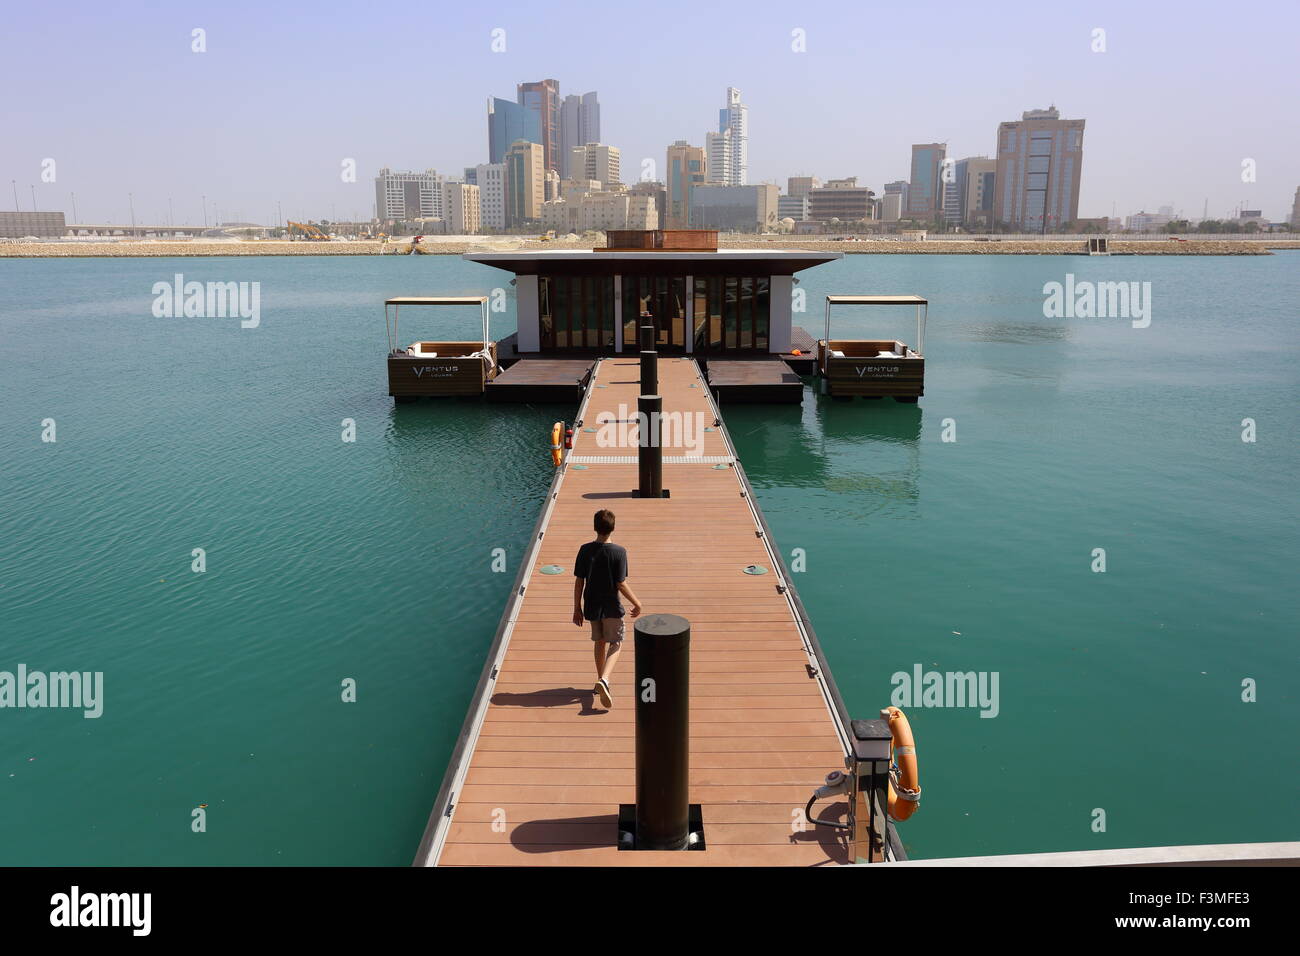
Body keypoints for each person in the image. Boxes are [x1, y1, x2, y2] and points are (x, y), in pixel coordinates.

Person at [573, 508, 641, 709]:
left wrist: (577, 607)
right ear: (613, 528)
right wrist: (637, 603)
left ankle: (599, 683)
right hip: (611, 606)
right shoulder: (619, 552)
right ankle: (604, 679)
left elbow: (579, 581)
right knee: (617, 643)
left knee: (600, 642)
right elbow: (620, 583)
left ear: (595, 528)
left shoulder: (585, 550)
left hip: (592, 606)